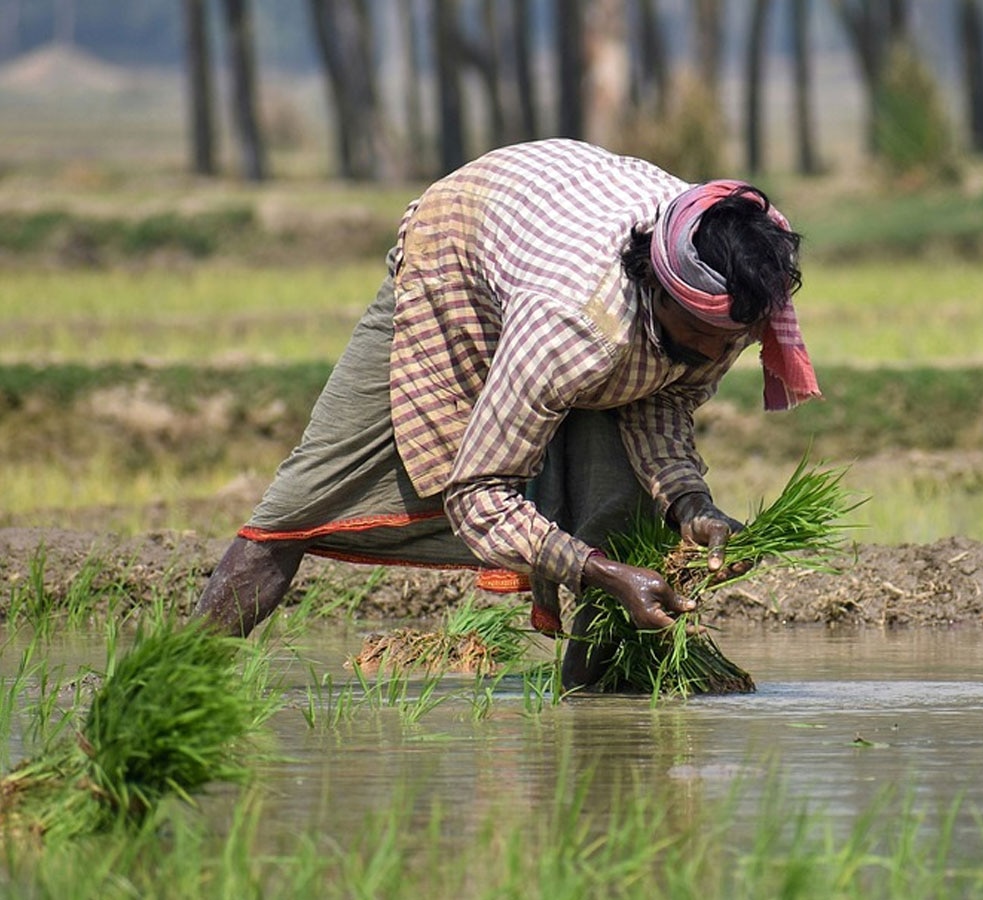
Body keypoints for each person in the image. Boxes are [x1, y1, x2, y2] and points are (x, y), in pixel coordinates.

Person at [193, 139, 819, 686]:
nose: (714, 355)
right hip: (461, 249)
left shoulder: (722, 300)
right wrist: (601, 574)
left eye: (729, 341)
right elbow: (479, 492)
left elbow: (665, 397)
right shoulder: (570, 326)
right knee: (306, 497)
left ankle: (592, 714)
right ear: (657, 290)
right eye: (702, 336)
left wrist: (690, 503)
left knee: (626, 511)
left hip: (555, 219)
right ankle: (177, 676)